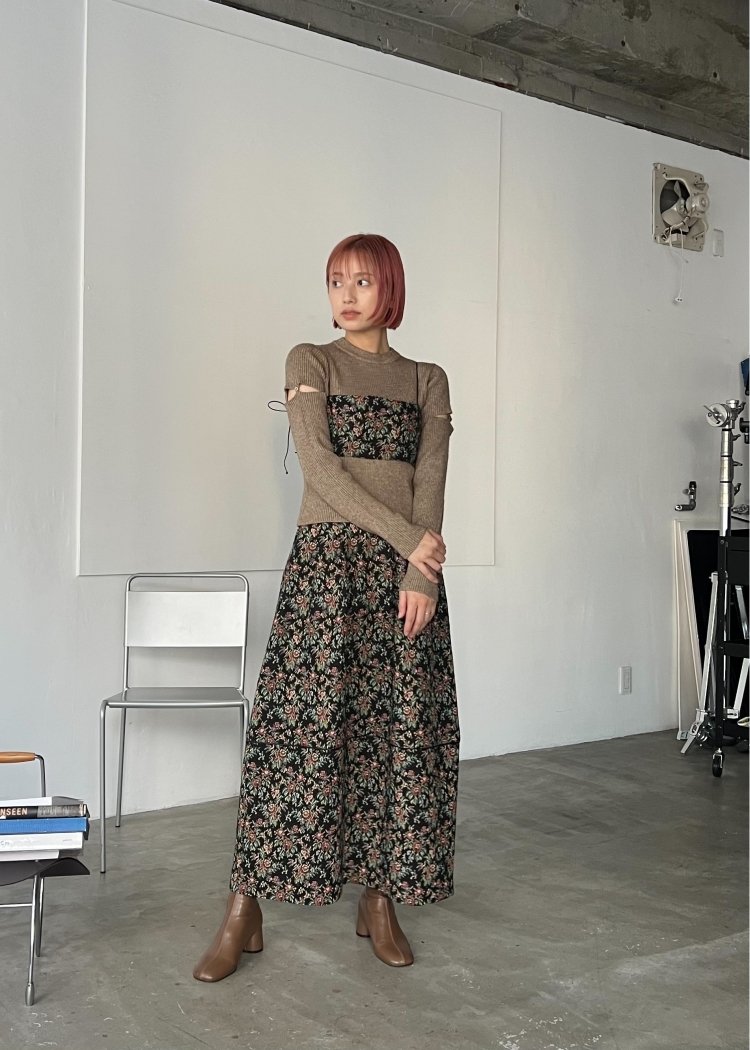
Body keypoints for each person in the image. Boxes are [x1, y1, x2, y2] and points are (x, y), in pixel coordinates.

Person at [193, 233, 459, 981]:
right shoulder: (310, 361)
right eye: (337, 280)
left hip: (403, 578)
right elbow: (321, 470)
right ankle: (244, 908)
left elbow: (430, 478)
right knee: (294, 736)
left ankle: (379, 898)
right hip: (327, 570)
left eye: (363, 281)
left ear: (391, 289)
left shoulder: (428, 379)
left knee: (396, 736)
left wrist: (421, 576)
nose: (347, 294)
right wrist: (414, 542)